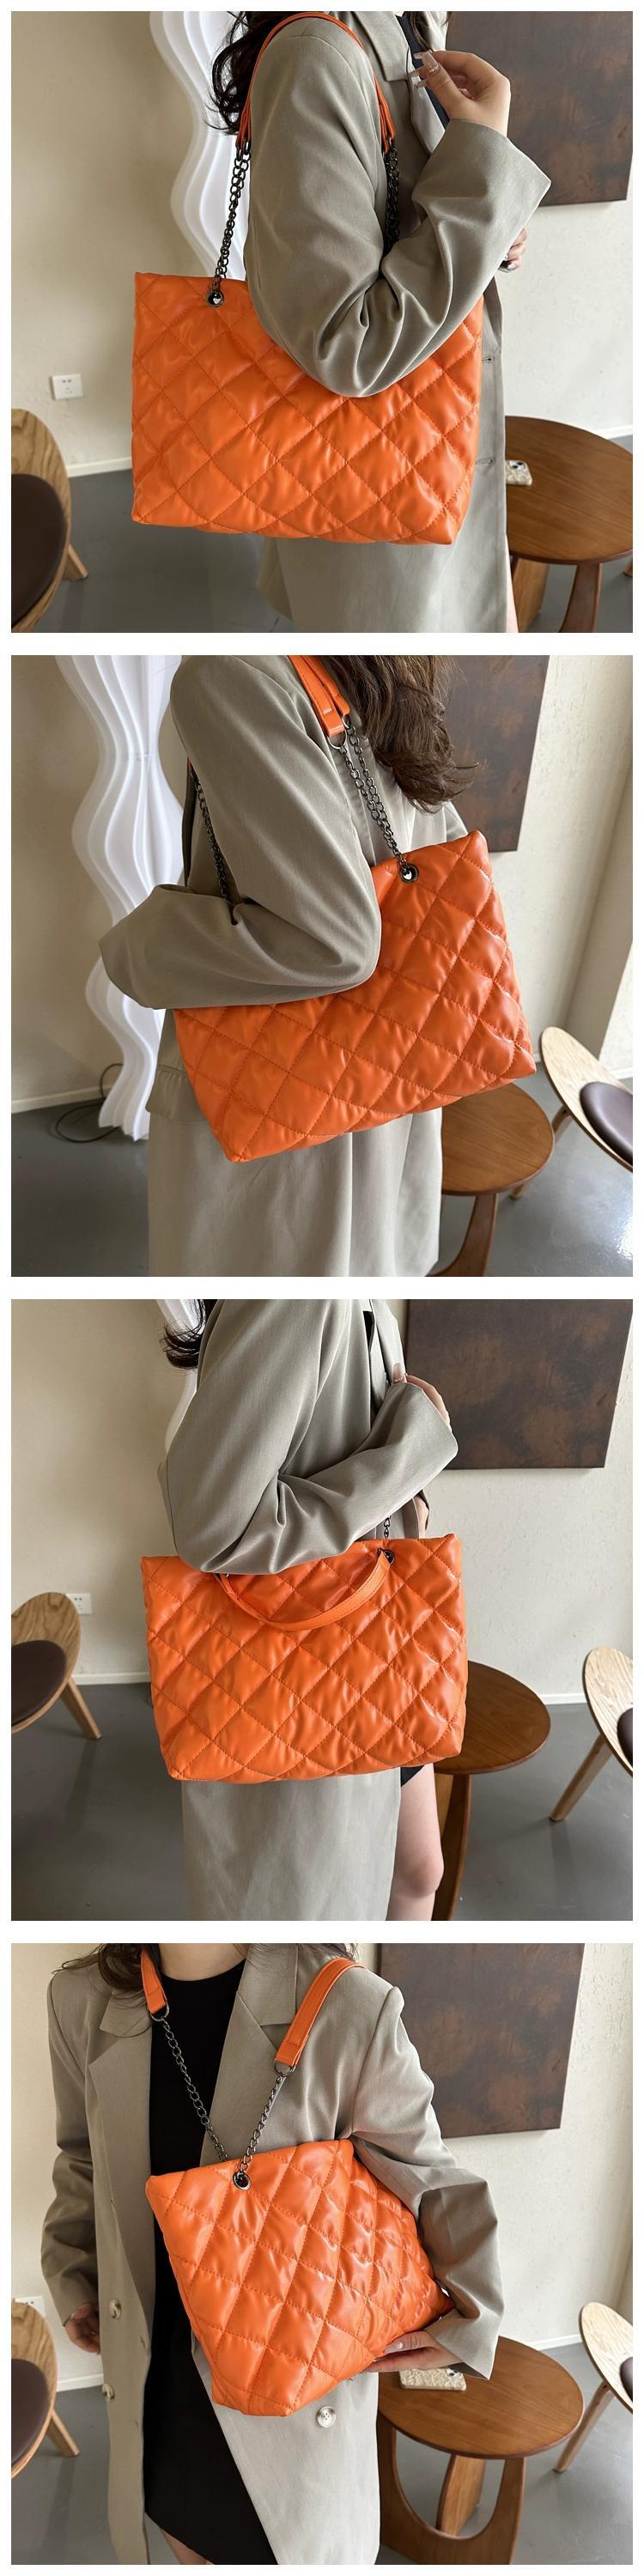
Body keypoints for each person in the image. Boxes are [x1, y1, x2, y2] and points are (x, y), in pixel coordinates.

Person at [41, 1939, 503, 2566]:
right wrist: (75, 2274)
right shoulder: (80, 2000)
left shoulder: (349, 2005)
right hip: (161, 2400)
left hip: (293, 2411)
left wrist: (473, 2318)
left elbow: (429, 2176)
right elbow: (82, 2154)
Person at [100, 652, 473, 1276]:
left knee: (266, 1290)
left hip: (289, 1116)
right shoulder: (380, 665)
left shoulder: (230, 675)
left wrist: (137, 947)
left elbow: (336, 941)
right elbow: (434, 843)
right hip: (392, 1066)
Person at [209, 10, 550, 631]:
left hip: (432, 451)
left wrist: (490, 220)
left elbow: (411, 218)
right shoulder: (315, 55)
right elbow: (347, 342)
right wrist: (480, 193)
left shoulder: (408, 22)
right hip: (381, 495)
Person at [155, 1298, 458, 1920]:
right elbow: (215, 1529)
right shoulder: (299, 1293)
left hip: (382, 1627)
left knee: (420, 1867)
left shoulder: (357, 1291)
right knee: (320, 1897)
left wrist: (412, 1493)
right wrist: (410, 1454)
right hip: (317, 1644)